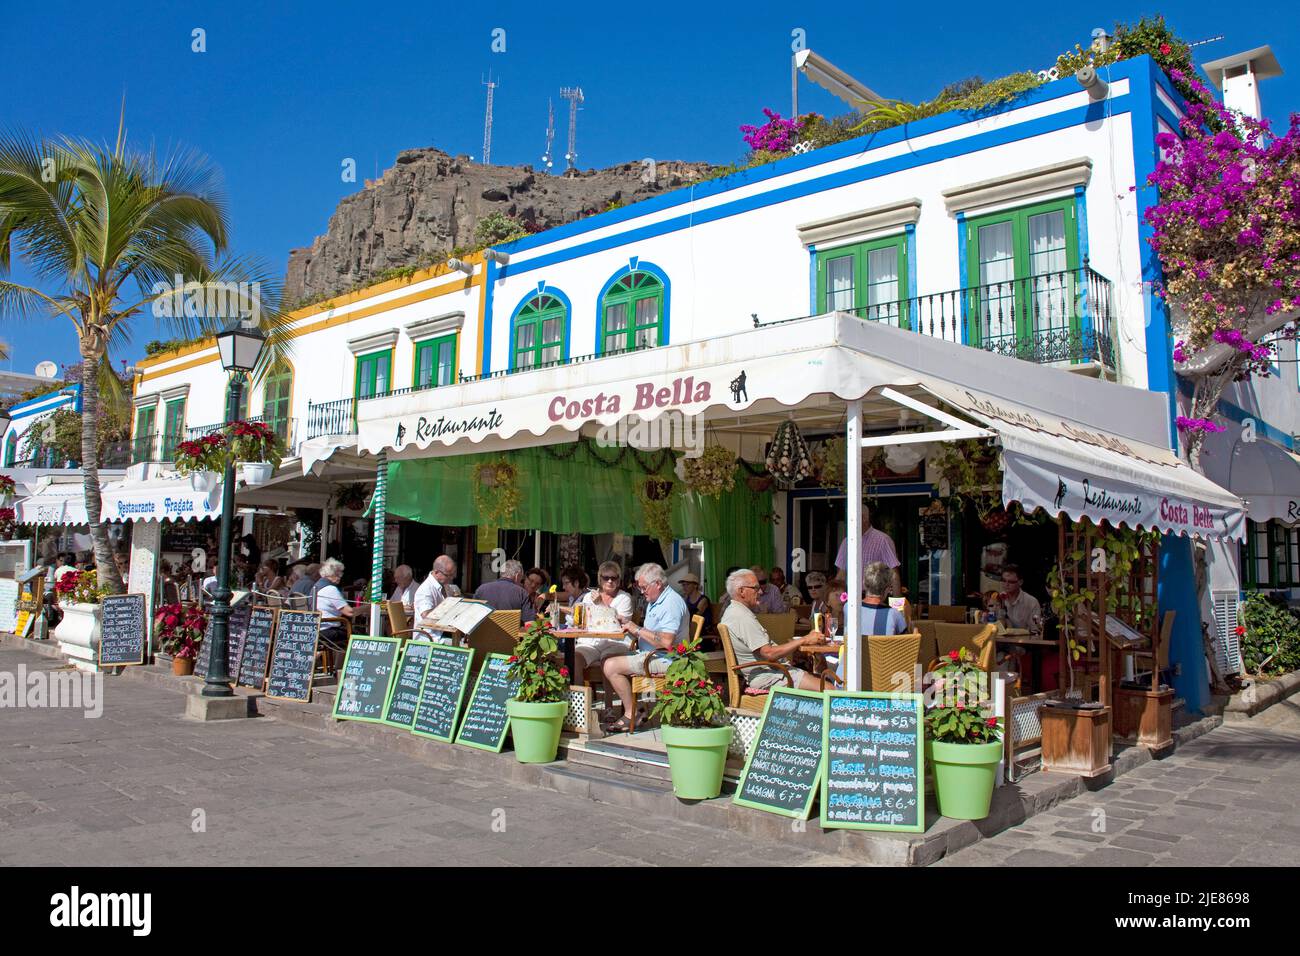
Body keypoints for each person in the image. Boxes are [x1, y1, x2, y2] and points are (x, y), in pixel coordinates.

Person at [601, 563, 689, 733]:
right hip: (650, 653)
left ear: (657, 584)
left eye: (644, 587)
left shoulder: (670, 604)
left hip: (667, 659)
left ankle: (631, 713)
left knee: (610, 666)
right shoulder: (657, 599)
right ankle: (638, 706)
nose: (642, 591)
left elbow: (666, 642)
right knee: (607, 656)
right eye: (639, 587)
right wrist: (628, 624)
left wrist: (637, 629)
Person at [719, 568, 821, 691]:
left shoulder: (735, 611)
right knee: (829, 689)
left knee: (819, 677)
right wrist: (804, 639)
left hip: (768, 672)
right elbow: (769, 653)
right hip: (768, 677)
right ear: (742, 591)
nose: (761, 591)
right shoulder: (741, 617)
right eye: (756, 588)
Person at [573, 562, 633, 678]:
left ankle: (608, 697)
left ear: (619, 580)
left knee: (608, 661)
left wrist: (600, 603)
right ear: (600, 579)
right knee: (575, 658)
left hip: (615, 643)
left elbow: (617, 625)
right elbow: (582, 621)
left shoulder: (624, 598)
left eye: (613, 578)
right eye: (606, 578)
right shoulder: (589, 596)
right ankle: (580, 695)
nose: (610, 581)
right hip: (591, 642)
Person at [833, 504, 902, 595]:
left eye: (852, 517)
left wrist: (898, 607)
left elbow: (894, 575)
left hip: (876, 597)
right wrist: (833, 603)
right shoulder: (846, 542)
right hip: (851, 597)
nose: (850, 521)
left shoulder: (882, 540)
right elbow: (840, 576)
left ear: (864, 518)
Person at [313, 558, 354, 660]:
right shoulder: (330, 589)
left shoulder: (316, 586)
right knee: (358, 636)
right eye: (339, 573)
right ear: (331, 574)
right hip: (327, 629)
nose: (340, 577)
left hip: (317, 628)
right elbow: (349, 612)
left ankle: (336, 667)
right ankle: (341, 668)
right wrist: (367, 608)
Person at [473, 559, 535, 623]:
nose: (520, 582)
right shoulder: (522, 593)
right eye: (521, 579)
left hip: (484, 632)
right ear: (517, 576)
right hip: (511, 632)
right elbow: (530, 624)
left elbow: (472, 616)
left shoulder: (481, 589)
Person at [413, 555, 458, 638]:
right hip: (430, 637)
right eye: (448, 575)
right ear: (437, 572)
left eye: (453, 575)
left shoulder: (445, 586)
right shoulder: (425, 589)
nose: (451, 578)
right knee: (465, 647)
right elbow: (427, 616)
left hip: (444, 633)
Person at [996, 564, 1042, 636]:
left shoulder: (1031, 602)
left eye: (1011, 582)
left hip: (1024, 643)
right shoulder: (998, 599)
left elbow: (1035, 631)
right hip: (1000, 642)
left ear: (1020, 582)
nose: (1006, 584)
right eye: (1004, 581)